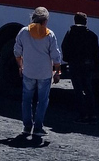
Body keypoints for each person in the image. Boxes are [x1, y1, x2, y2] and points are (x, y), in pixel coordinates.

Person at [13, 7, 62, 137]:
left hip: (28, 71)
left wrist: (20, 66)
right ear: (45, 20)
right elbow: (56, 57)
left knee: (27, 99)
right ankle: (38, 127)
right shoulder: (49, 34)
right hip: (44, 74)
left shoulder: (24, 32)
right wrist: (58, 72)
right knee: (42, 100)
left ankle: (27, 126)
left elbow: (17, 51)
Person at [61, 12, 99, 123]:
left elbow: (65, 47)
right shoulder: (92, 35)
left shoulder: (70, 34)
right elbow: (97, 51)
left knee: (78, 90)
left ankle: (82, 115)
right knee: (88, 89)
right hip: (87, 65)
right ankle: (92, 114)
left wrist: (68, 60)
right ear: (85, 22)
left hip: (75, 64)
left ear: (74, 21)